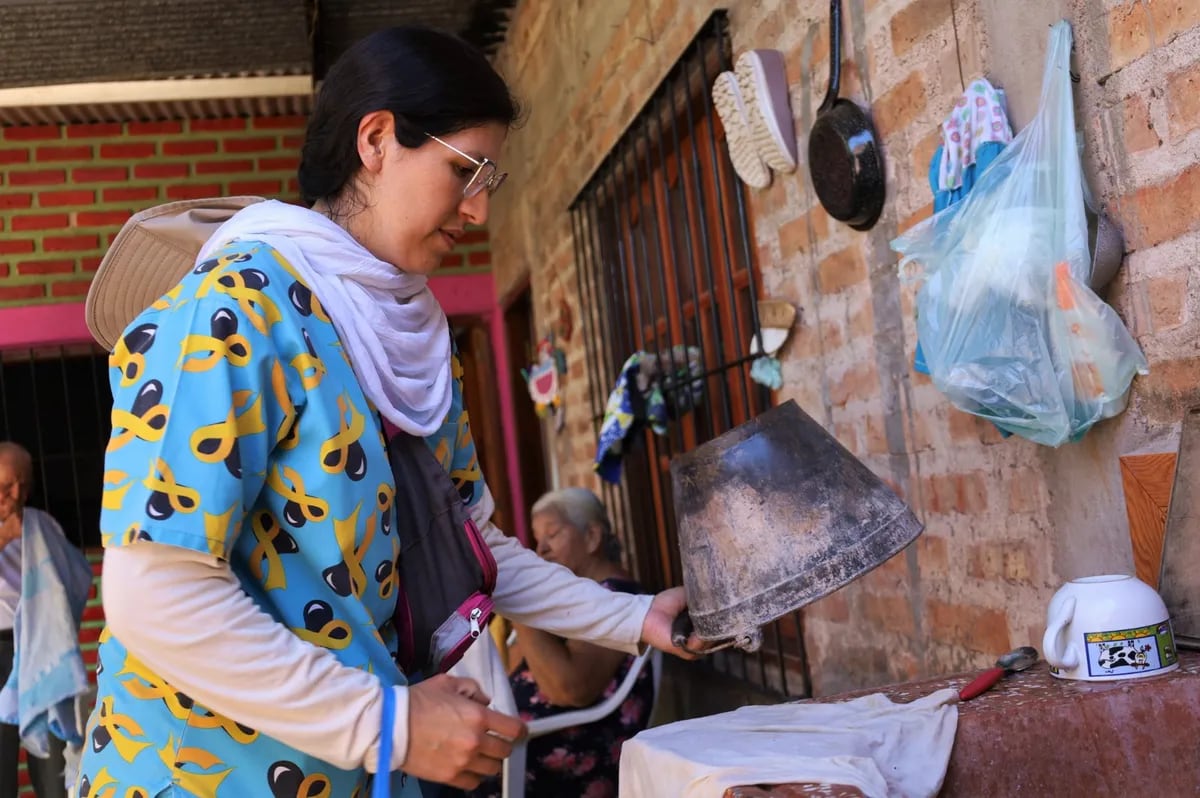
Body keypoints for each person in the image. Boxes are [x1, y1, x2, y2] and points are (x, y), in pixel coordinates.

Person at [77, 25, 701, 798]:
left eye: (489, 182)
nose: (477, 212)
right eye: (465, 171)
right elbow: (155, 595)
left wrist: (639, 618)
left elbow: (469, 542)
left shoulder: (404, 340)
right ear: (377, 140)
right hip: (201, 775)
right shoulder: (233, 310)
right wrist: (393, 726)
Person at [467, 488, 655, 798]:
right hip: (530, 739)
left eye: (552, 535)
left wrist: (518, 597)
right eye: (537, 538)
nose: (541, 549)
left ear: (593, 537)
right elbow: (515, 668)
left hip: (570, 747)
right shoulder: (571, 602)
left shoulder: (617, 598)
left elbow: (570, 688)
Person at [0, 442, 93, 798]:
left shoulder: (41, 524)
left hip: (41, 645)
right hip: (1, 647)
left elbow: (73, 576)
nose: (16, 494)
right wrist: (6, 534)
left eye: (23, 485)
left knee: (53, 762)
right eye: (7, 485)